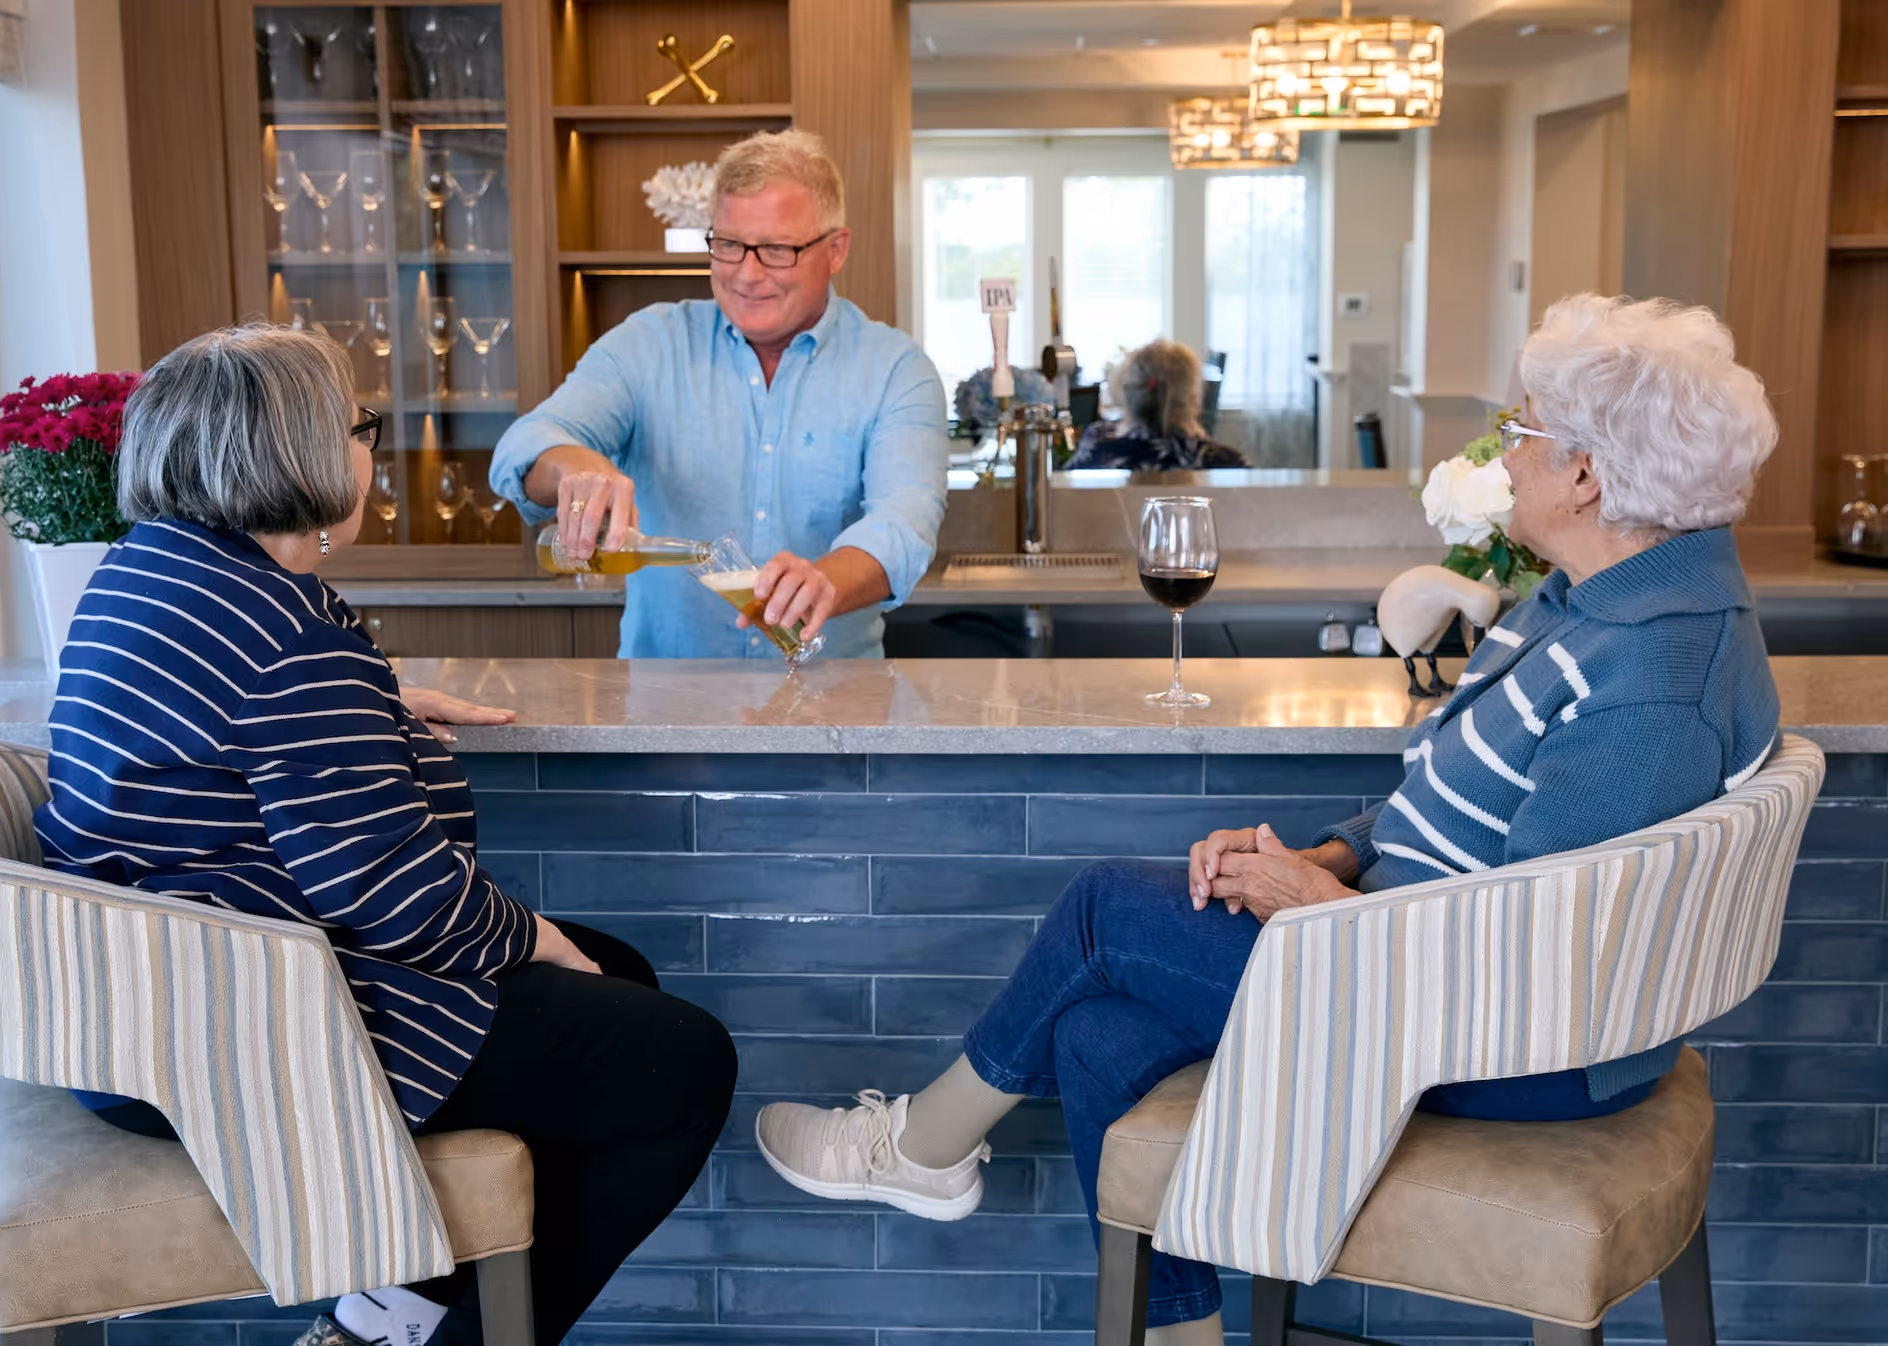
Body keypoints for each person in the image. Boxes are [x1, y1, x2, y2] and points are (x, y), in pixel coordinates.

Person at [754, 294, 1782, 1345]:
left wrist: (1320, 904)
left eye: (1520, 433)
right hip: (1426, 963)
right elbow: (1465, 805)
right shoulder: (1610, 597)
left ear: (1587, 474)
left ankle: (919, 1148)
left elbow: (1533, 952)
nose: (1503, 457)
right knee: (1096, 1032)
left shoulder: (1654, 673)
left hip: (1508, 1046)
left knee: (1105, 906)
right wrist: (1328, 855)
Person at [34, 325, 737, 1346]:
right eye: (359, 426)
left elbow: (227, 732)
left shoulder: (151, 575)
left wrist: (373, 702)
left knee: (618, 982)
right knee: (681, 1064)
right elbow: (396, 897)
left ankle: (385, 1316)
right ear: (296, 453)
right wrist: (542, 938)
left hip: (140, 1006)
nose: (371, 447)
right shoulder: (286, 637)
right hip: (240, 1028)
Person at [490, 129, 948, 659]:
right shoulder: (649, 343)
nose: (747, 275)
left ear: (836, 249)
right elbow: (525, 444)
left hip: (835, 711)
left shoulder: (896, 369)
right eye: (729, 245)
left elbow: (905, 521)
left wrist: (826, 580)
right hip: (664, 714)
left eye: (777, 250)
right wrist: (573, 468)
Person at [1066, 339, 1247, 471]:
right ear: (1192, 397)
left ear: (1126, 392)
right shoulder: (1222, 462)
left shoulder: (1098, 446)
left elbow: (1061, 490)